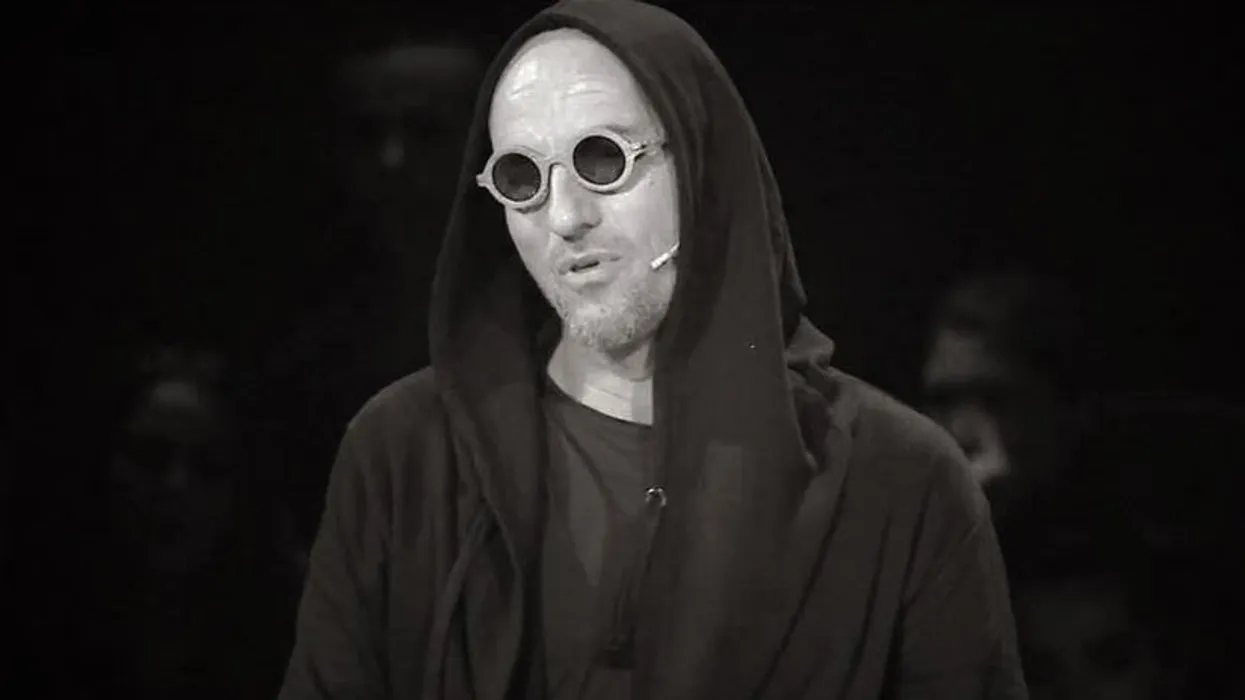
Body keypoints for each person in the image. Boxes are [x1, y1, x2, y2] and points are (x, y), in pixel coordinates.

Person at [280, 2, 1027, 699]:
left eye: (602, 159)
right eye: (521, 177)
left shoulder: (898, 480)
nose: (564, 217)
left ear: (703, 164)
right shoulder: (404, 452)